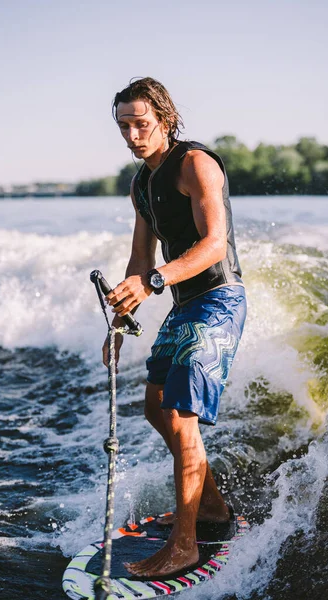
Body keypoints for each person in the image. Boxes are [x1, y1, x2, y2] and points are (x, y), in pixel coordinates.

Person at [103, 77, 246, 578]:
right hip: (184, 304)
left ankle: (184, 545)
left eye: (141, 123)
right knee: (154, 406)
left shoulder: (195, 164)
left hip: (218, 299)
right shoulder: (142, 183)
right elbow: (139, 258)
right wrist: (119, 322)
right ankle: (211, 509)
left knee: (182, 416)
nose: (132, 134)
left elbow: (213, 244)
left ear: (165, 119)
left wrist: (155, 281)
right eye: (124, 125)